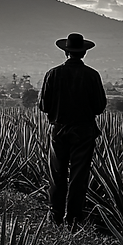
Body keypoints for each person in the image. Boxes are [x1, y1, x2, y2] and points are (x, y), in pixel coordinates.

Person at [38, 32, 107, 228]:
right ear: (84, 52)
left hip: (59, 129)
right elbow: (99, 106)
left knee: (57, 173)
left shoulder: (53, 74)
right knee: (79, 174)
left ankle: (56, 216)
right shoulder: (92, 75)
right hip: (84, 132)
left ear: (66, 52)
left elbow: (43, 105)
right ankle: (74, 218)